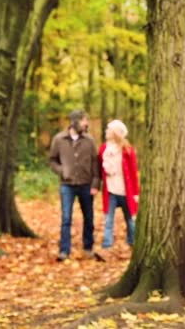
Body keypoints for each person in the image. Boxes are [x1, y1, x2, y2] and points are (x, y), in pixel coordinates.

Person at [49, 109, 100, 262]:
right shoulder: (59, 139)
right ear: (75, 122)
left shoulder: (90, 140)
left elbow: (95, 164)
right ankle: (64, 251)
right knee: (66, 219)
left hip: (86, 185)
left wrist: (96, 183)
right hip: (67, 185)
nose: (87, 124)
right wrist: (62, 171)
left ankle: (88, 248)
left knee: (89, 218)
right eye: (84, 121)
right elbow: (52, 160)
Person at [97, 120, 140, 255]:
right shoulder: (103, 149)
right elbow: (99, 168)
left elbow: (133, 172)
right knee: (108, 219)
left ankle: (132, 243)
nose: (106, 131)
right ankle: (107, 246)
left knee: (130, 220)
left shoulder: (127, 150)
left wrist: (135, 192)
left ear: (115, 133)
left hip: (125, 191)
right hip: (110, 191)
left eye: (108, 129)